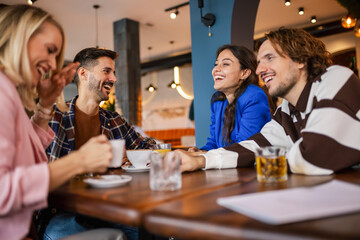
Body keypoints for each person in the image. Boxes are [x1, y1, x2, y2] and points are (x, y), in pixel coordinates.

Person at [0, 4, 125, 240]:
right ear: (19, 38)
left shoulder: (9, 92)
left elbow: (25, 150)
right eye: (49, 50)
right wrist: (79, 161)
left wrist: (46, 103)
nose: (51, 62)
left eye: (55, 55)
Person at [179, 27, 360, 174]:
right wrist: (201, 160)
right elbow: (255, 147)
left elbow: (315, 157)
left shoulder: (337, 78)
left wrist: (268, 158)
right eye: (259, 62)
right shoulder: (287, 110)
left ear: (300, 60)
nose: (259, 70)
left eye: (270, 58)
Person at [44, 47, 155, 240]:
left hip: (107, 207)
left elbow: (151, 147)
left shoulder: (114, 121)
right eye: (106, 71)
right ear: (83, 74)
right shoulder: (53, 118)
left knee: (146, 230)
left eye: (114, 73)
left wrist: (129, 154)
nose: (114, 79)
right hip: (61, 212)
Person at [190, 45, 271, 152]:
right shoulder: (217, 100)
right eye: (216, 64)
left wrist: (205, 158)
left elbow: (244, 147)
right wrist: (201, 152)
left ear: (244, 73)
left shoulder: (254, 95)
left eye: (225, 64)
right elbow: (213, 142)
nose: (215, 70)